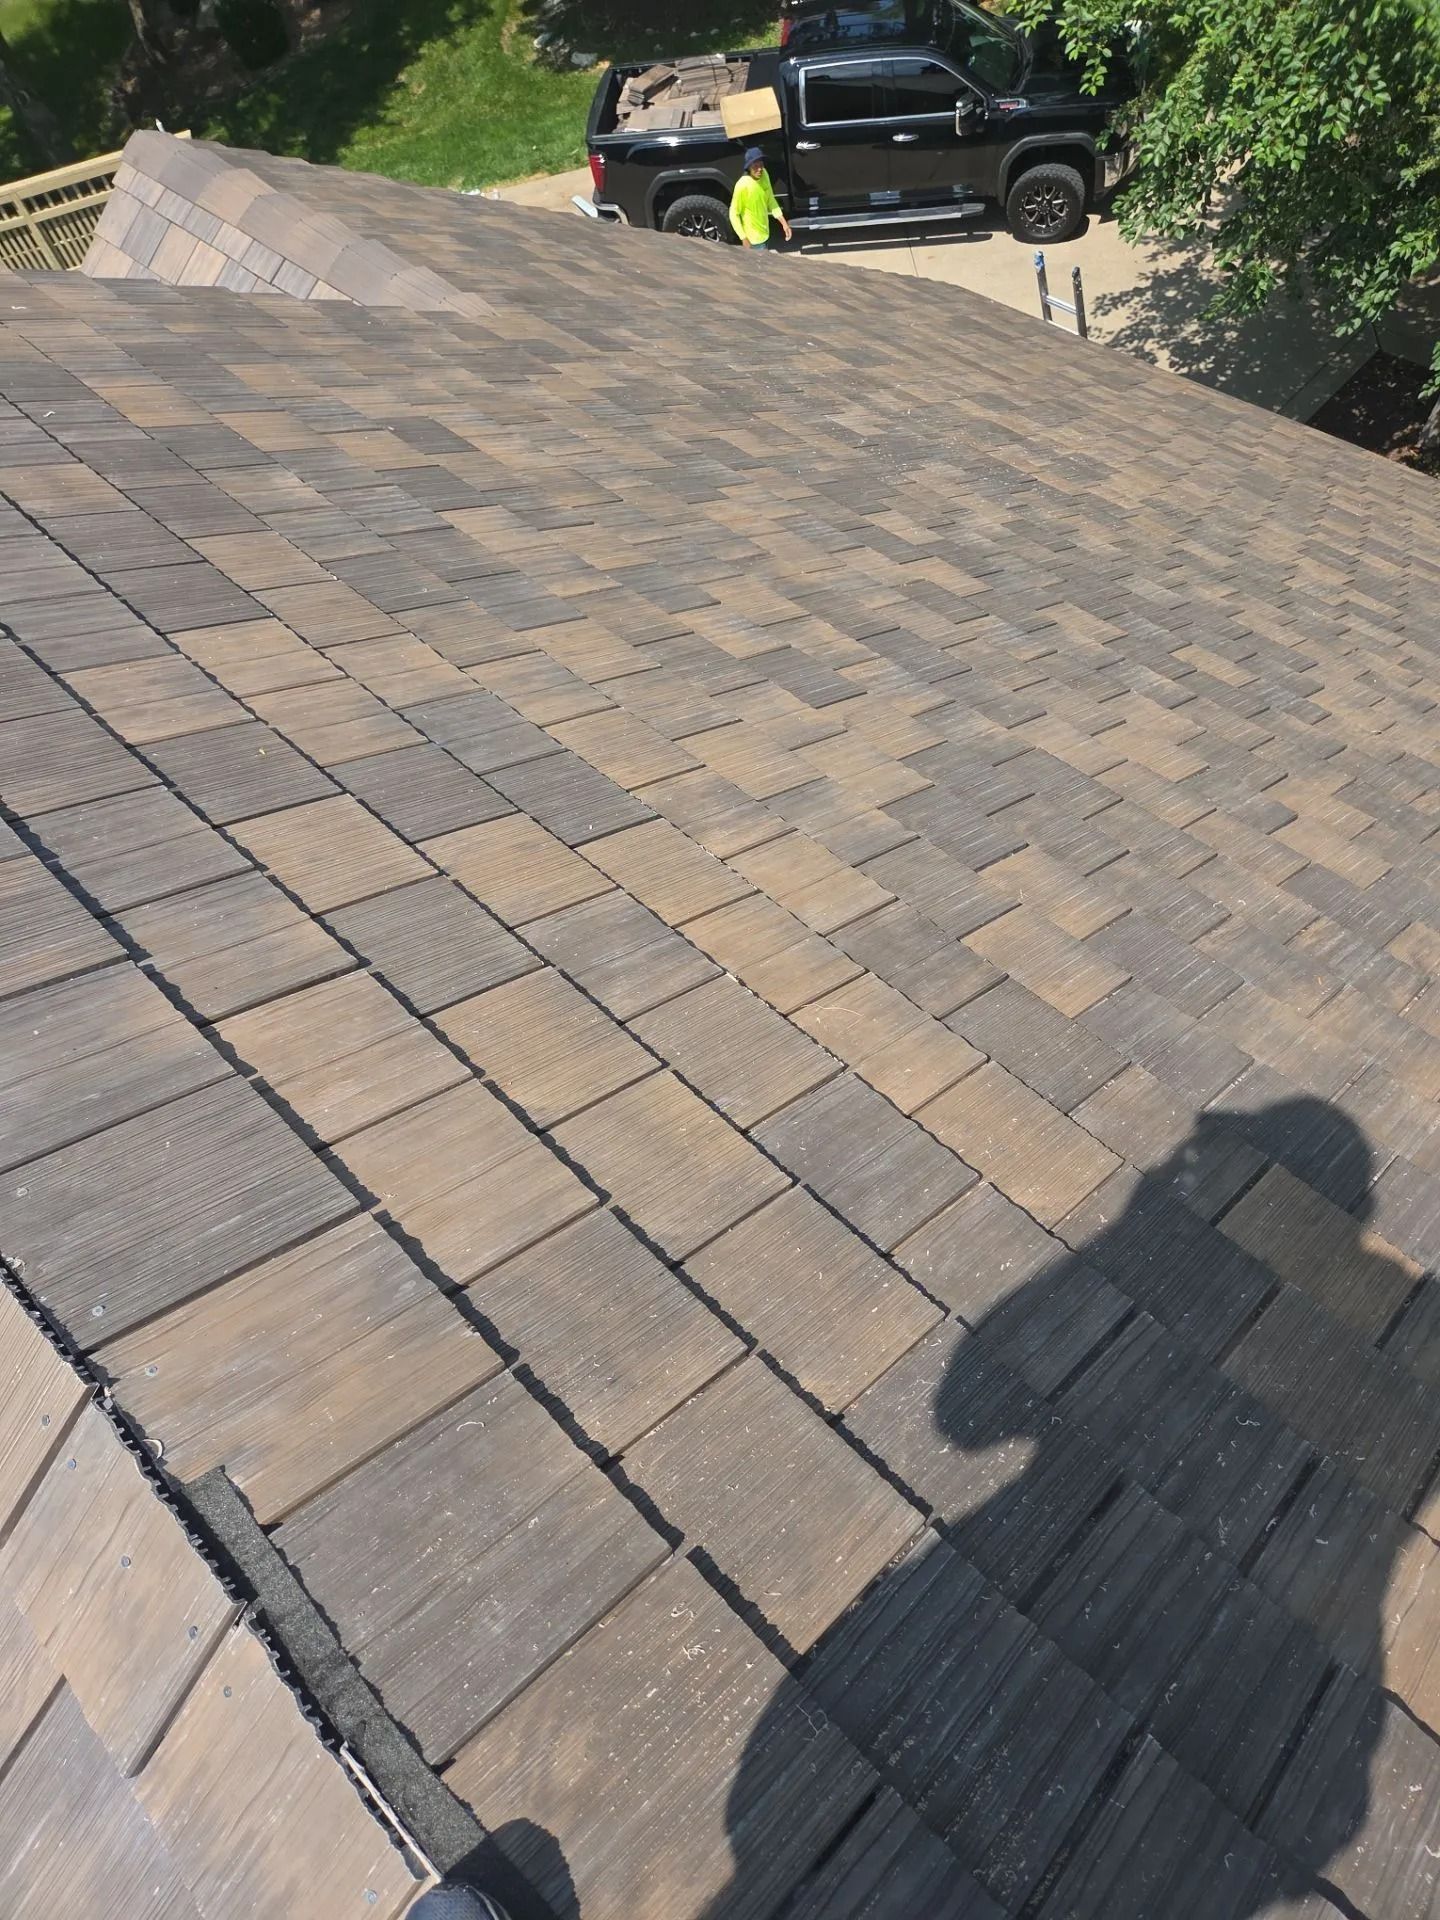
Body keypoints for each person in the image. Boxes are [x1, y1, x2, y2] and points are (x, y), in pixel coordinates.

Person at [729, 147, 792, 251]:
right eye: (755, 166)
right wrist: (743, 238)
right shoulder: (742, 185)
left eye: (761, 165)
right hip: (753, 241)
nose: (759, 169)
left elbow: (771, 200)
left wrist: (784, 224)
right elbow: (733, 213)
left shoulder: (765, 174)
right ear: (749, 167)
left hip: (765, 234)